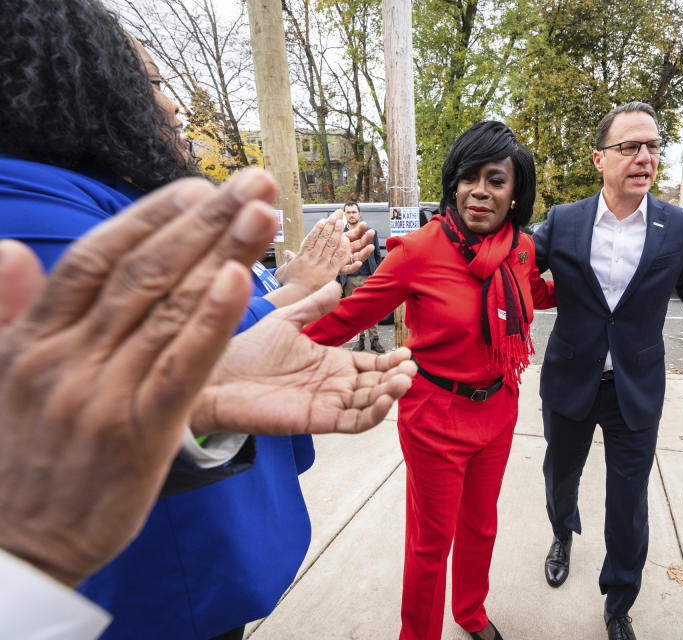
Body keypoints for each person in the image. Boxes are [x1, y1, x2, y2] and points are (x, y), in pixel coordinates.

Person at [0, 3, 408, 638]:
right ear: (82, 81)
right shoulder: (34, 222)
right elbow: (157, 351)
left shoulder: (94, 197)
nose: (171, 108)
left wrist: (278, 285)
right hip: (158, 591)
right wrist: (290, 292)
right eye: (157, 83)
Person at [531, 101, 683, 640]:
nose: (644, 157)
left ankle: (619, 600)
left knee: (629, 505)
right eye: (630, 147)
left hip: (636, 391)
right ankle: (562, 532)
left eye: (652, 146)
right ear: (600, 159)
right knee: (560, 479)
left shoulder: (678, 225)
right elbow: (510, 272)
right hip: (569, 382)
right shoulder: (564, 221)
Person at [304, 121, 555, 640]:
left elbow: (537, 293)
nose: (480, 191)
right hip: (435, 417)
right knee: (430, 542)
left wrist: (607, 286)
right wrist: (275, 338)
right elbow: (348, 316)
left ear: (515, 194)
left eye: (496, 180)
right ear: (453, 184)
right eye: (469, 177)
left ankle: (470, 612)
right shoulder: (418, 250)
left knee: (481, 526)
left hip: (498, 408)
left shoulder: (521, 250)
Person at [340, 200, 386, 353]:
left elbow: (378, 256)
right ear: (345, 215)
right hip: (349, 279)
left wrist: (377, 274)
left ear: (359, 214)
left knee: (371, 310)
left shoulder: (370, 232)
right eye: (349, 212)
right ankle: (360, 341)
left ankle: (375, 341)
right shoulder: (341, 235)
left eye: (354, 212)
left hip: (368, 277)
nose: (352, 215)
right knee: (354, 312)